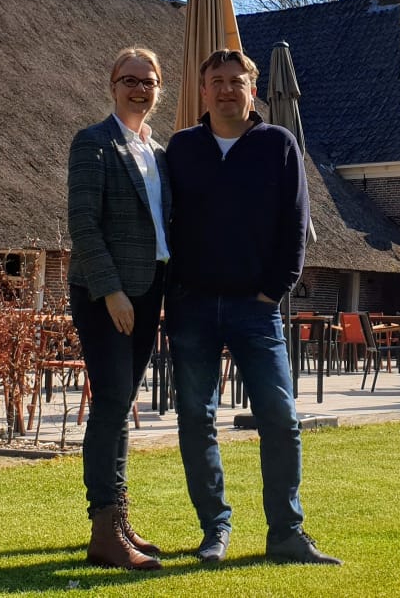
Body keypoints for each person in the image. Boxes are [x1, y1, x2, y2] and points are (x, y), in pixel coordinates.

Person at [165, 49, 340, 566]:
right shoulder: (181, 150)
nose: (225, 90)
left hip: (255, 309)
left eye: (235, 81)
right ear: (202, 92)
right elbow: (163, 223)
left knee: (280, 418)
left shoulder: (278, 146)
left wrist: (273, 290)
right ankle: (214, 530)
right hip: (192, 306)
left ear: (252, 89)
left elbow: (295, 227)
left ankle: (286, 532)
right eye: (215, 81)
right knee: (196, 419)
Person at [66, 46, 171, 571]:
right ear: (112, 85)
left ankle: (120, 519)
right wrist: (110, 292)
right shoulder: (93, 143)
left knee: (122, 402)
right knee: (110, 401)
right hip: (106, 294)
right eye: (129, 80)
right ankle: (103, 529)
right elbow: (83, 225)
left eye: (148, 81)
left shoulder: (160, 153)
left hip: (149, 289)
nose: (139, 89)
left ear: (159, 89)